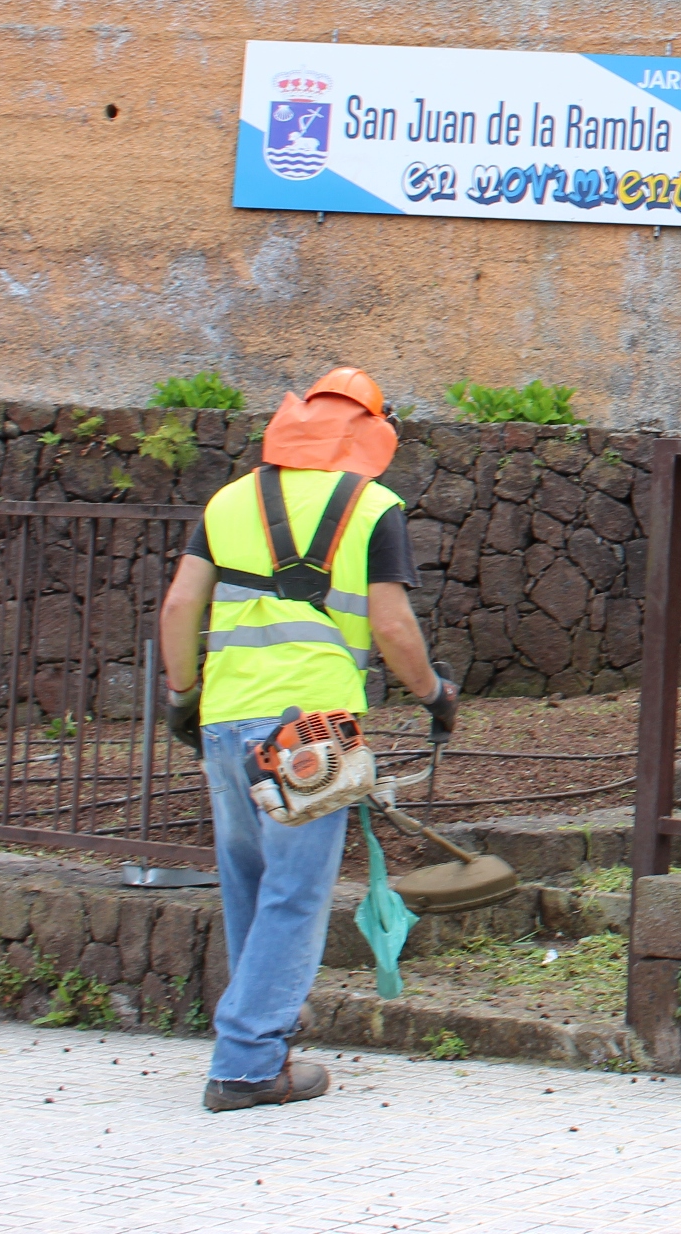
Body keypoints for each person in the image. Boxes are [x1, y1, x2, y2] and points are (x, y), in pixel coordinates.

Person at [158, 367, 455, 1112]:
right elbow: (391, 624)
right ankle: (249, 1065)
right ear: (373, 431)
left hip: (225, 720)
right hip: (310, 734)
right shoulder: (374, 506)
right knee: (293, 895)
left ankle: (265, 1033)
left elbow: (178, 607)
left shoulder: (229, 501)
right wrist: (433, 694)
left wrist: (181, 697)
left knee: (251, 889)